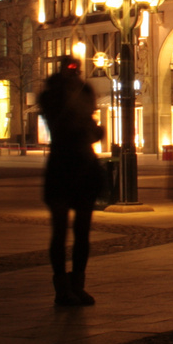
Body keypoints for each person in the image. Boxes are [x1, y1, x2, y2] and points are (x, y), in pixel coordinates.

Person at [40, 57, 105, 306]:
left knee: (81, 232)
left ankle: (76, 285)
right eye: (72, 70)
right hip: (65, 167)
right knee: (60, 232)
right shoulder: (54, 96)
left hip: (81, 167)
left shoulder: (82, 91)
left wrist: (91, 128)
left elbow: (90, 127)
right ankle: (63, 288)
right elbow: (68, 125)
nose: (75, 74)